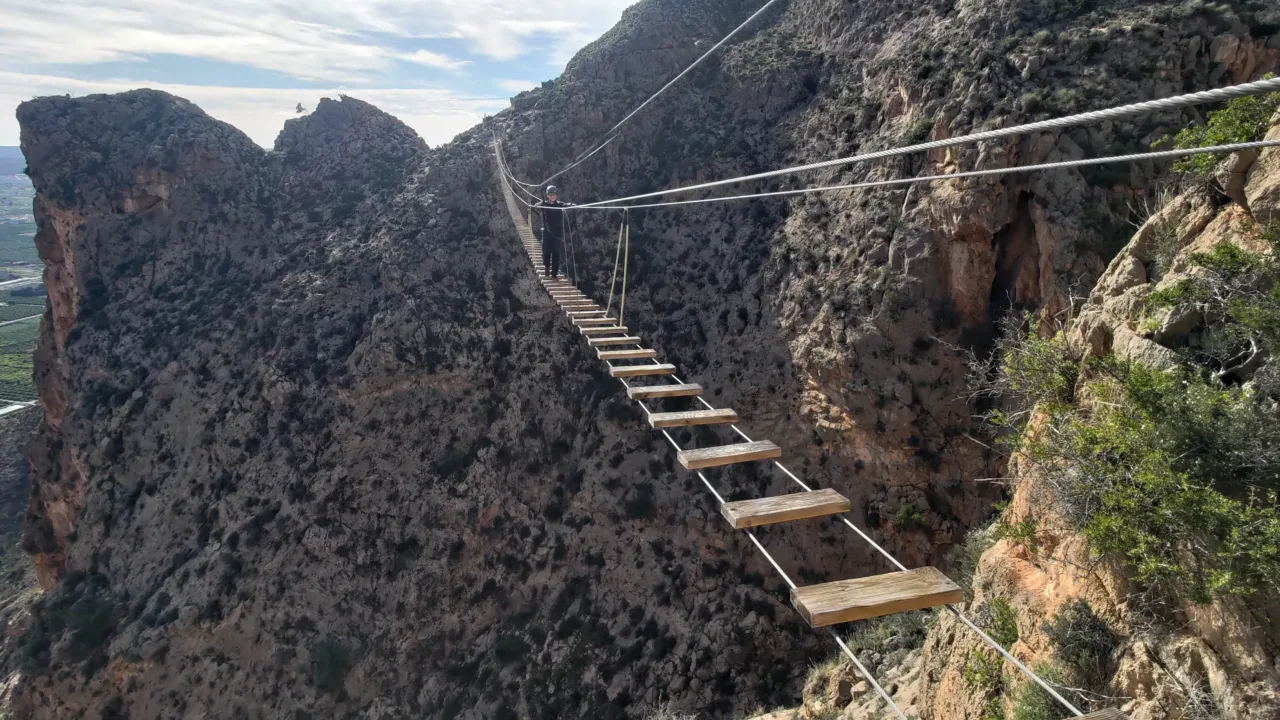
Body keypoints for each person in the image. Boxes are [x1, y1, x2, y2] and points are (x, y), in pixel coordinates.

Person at [533, 186, 574, 278]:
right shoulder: (544, 204)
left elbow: (566, 205)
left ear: (556, 196)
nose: (553, 196)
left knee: (556, 254)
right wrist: (541, 204)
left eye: (554, 195)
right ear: (547, 195)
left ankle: (554, 274)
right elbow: (534, 207)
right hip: (547, 233)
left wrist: (573, 205)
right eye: (551, 195)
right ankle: (547, 267)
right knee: (546, 253)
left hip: (557, 234)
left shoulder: (559, 204)